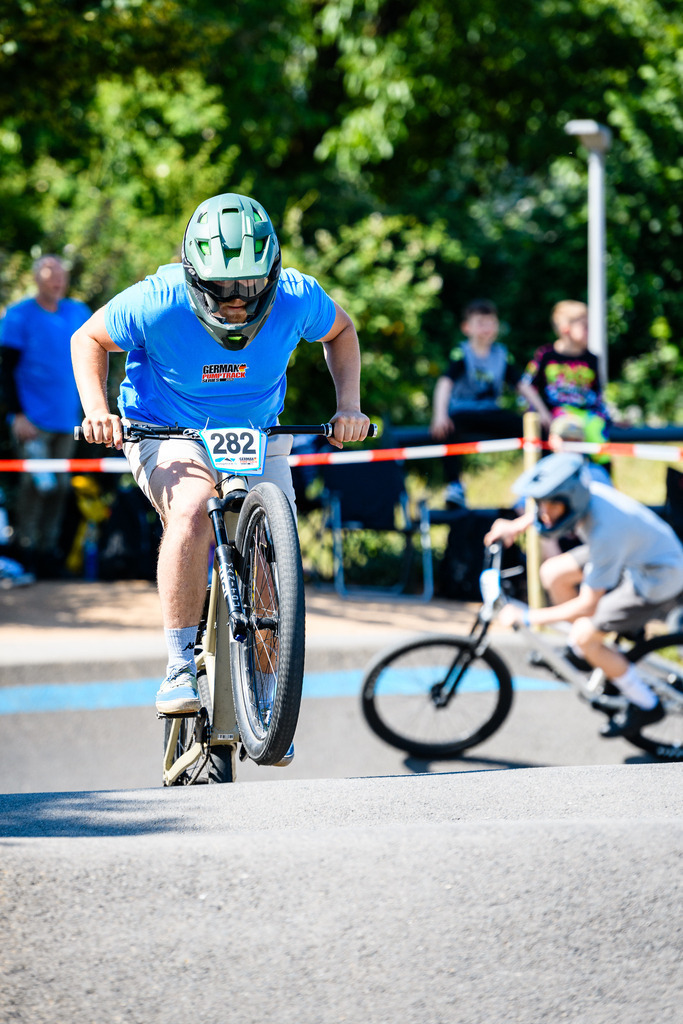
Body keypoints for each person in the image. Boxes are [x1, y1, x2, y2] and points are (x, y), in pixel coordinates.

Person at [71, 191, 370, 765]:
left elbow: (342, 332)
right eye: (223, 290)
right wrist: (96, 410)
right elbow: (87, 339)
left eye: (251, 288)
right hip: (167, 429)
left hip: (256, 430)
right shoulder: (155, 301)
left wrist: (348, 404)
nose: (237, 302)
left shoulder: (299, 296)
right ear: (192, 278)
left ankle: (267, 703)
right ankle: (180, 662)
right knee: (190, 510)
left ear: (273, 275)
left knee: (271, 553)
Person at [484, 452, 683, 738]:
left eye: (552, 505)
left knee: (582, 634)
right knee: (553, 573)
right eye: (542, 504)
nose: (545, 512)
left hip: (656, 578)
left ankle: (645, 704)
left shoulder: (605, 530)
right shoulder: (586, 494)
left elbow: (588, 603)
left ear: (570, 500)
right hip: (635, 554)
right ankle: (588, 650)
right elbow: (550, 506)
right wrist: (516, 525)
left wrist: (527, 615)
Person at [0, 255, 91, 577]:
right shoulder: (18, 315)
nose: (58, 281)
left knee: (60, 488)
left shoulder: (77, 312)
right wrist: (17, 415)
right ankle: (25, 551)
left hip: (67, 420)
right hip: (32, 422)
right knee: (34, 486)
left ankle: (48, 552)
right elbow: (5, 370)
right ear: (37, 278)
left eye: (62, 275)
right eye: (51, 275)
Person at [430, 299, 549, 506]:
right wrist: (439, 415)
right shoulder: (461, 352)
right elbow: (444, 383)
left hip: (491, 411)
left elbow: (522, 385)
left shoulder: (502, 354)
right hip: (463, 412)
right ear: (467, 327)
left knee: (536, 430)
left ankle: (541, 481)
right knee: (447, 428)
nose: (486, 328)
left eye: (491, 323)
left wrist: (544, 413)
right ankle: (455, 485)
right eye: (480, 323)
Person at [521, 299, 611, 471]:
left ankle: (604, 481)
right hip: (557, 413)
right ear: (565, 328)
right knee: (566, 431)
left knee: (598, 432)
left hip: (587, 414)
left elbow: (597, 394)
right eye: (585, 327)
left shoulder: (591, 359)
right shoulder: (545, 356)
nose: (590, 332)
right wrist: (541, 412)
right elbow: (526, 385)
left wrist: (610, 417)